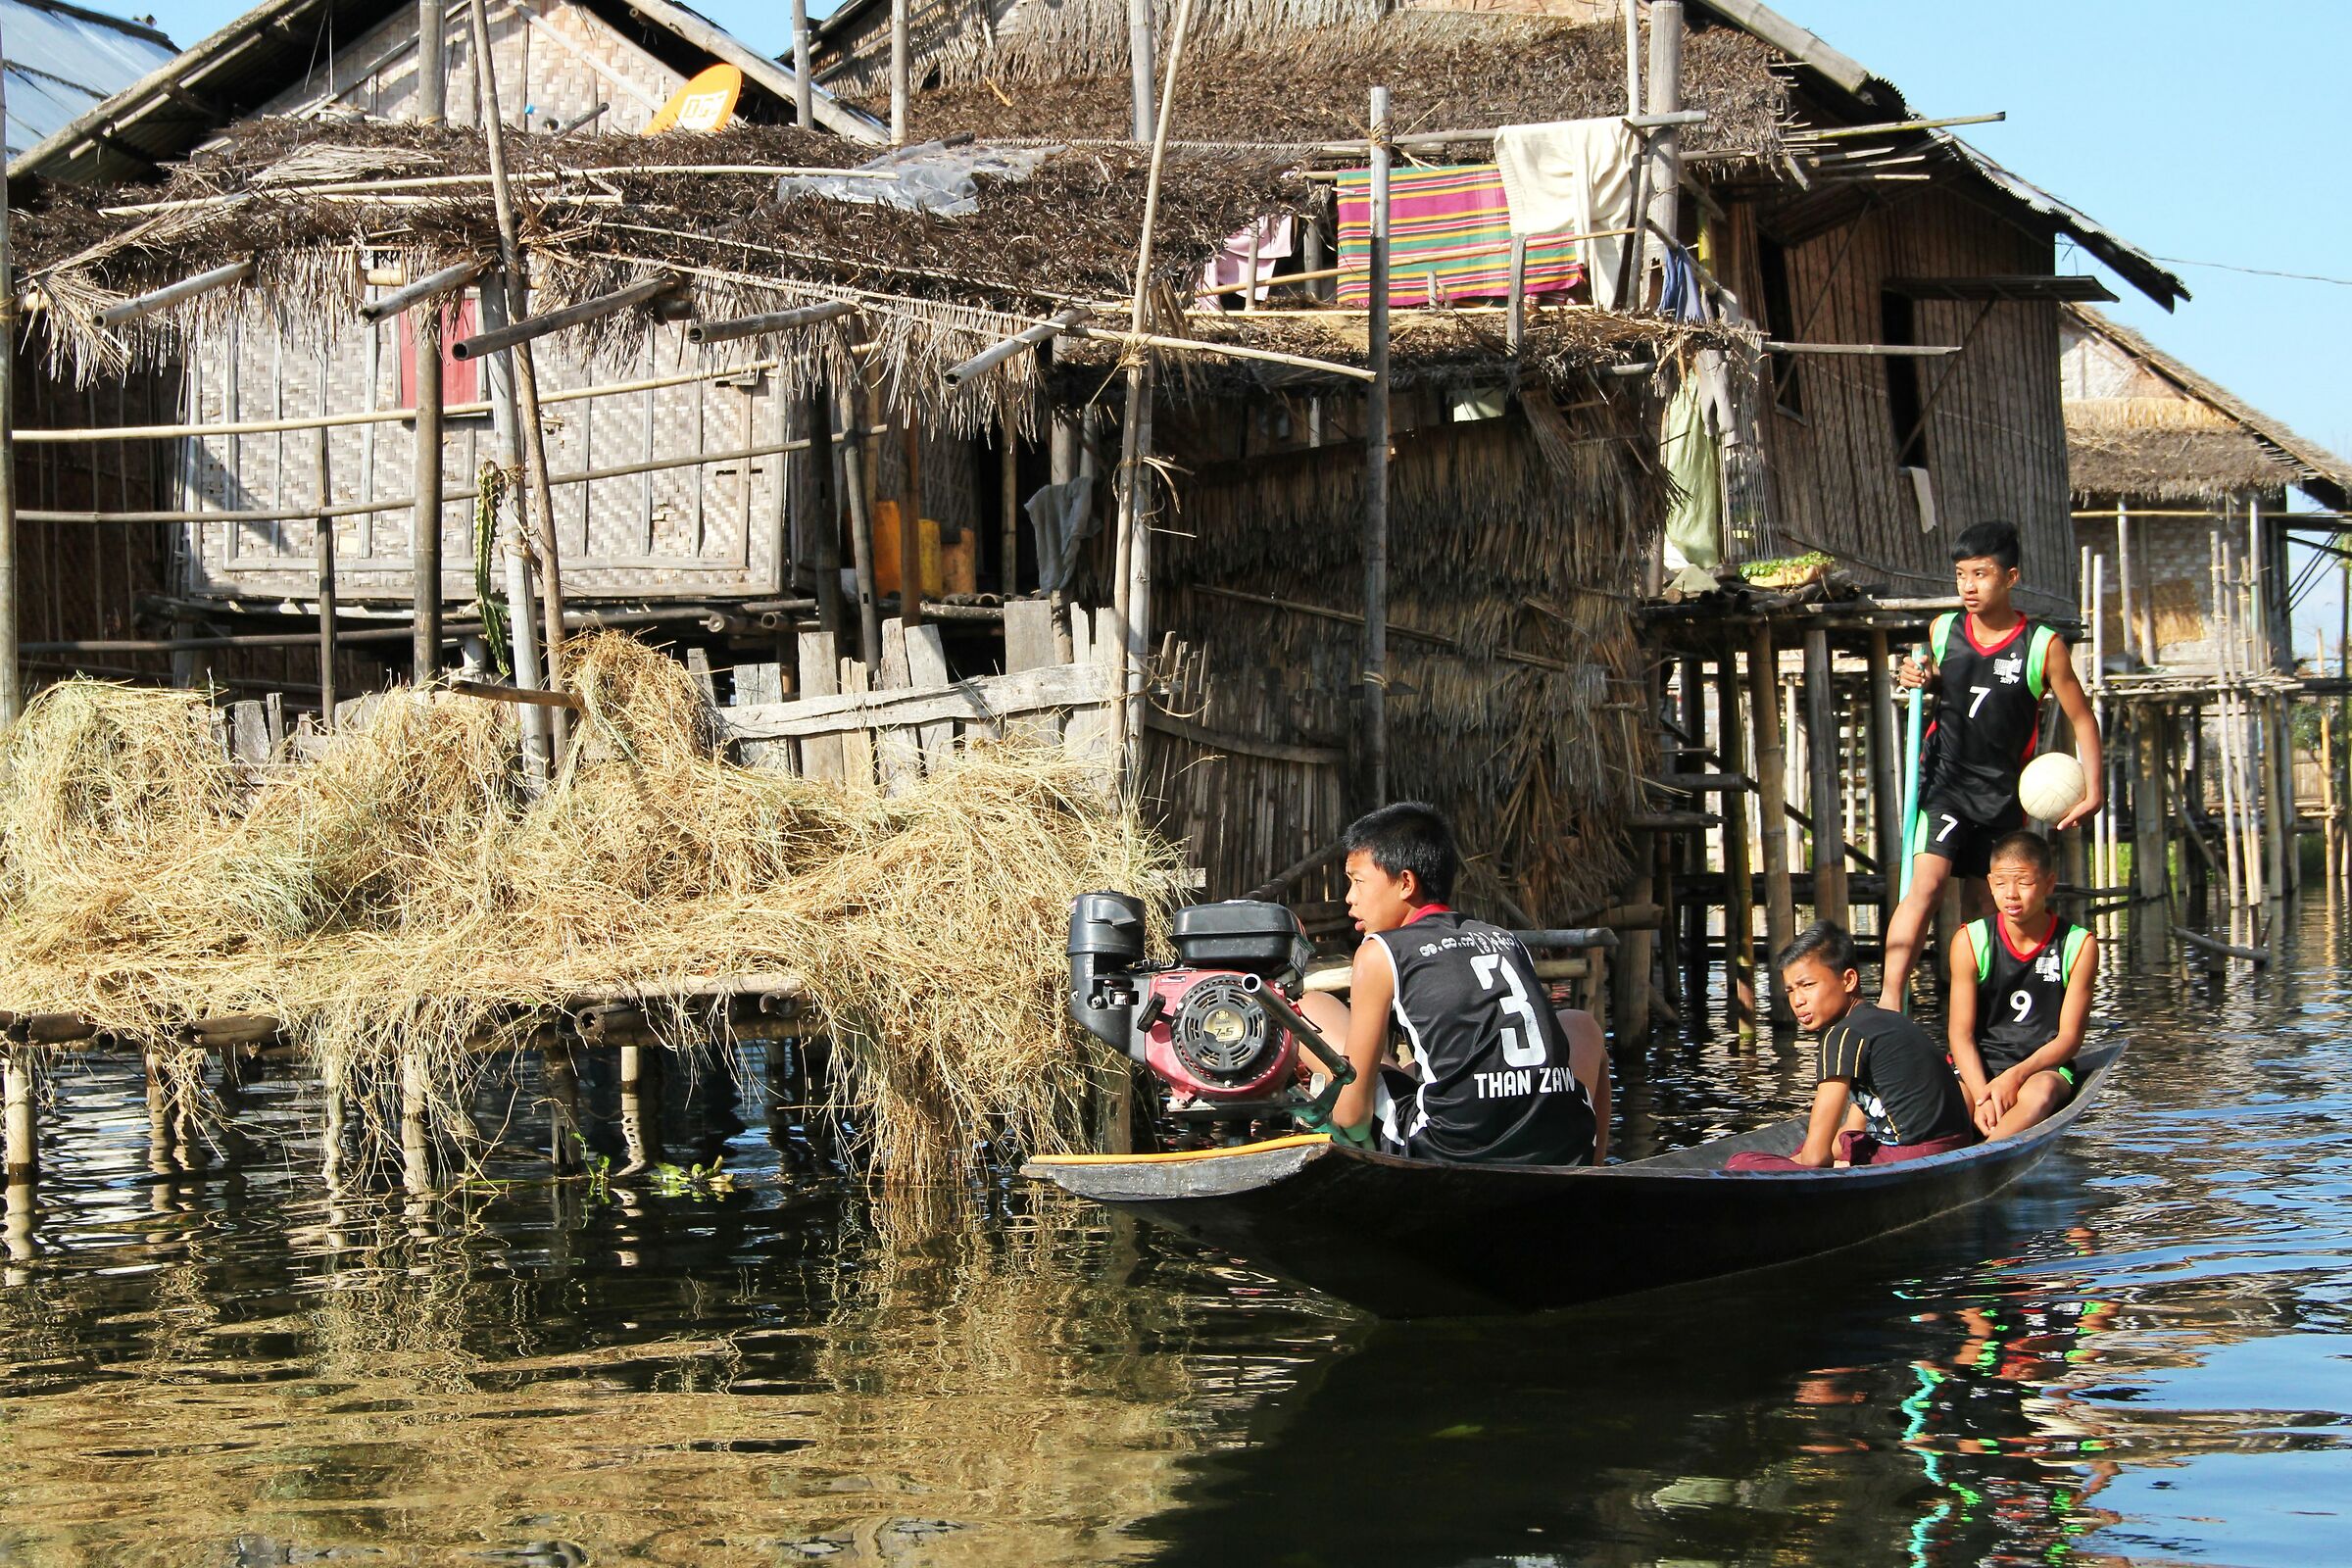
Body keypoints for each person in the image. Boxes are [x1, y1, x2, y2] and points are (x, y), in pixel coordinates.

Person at [1296, 802, 1608, 1165]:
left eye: (1358, 881)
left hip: (1451, 1150)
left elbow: (1353, 1116)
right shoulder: (1503, 938)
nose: (1349, 897)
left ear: (1406, 883)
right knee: (1580, 1024)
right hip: (1557, 1145)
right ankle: (1593, 1175)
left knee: (1311, 1006)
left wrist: (1323, 1111)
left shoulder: (1379, 952)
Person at [1880, 519, 2102, 1010]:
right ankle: (1889, 1005)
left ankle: (1981, 1020)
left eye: (1980, 574)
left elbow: (2083, 719)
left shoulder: (2043, 646)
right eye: (1961, 575)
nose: (1968, 586)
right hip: (1945, 783)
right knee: (1928, 885)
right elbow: (1949, 681)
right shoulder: (1944, 630)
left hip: (2004, 795)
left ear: (2011, 577)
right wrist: (1920, 676)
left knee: (1988, 907)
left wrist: (2095, 790)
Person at [1727, 922, 1976, 1171]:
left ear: (1848, 980)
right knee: (1832, 1143)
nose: (1798, 1001)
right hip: (1954, 1146)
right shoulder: (1885, 1020)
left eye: (1808, 985)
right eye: (1790, 990)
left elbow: (1815, 1158)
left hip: (1910, 1156)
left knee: (1741, 1163)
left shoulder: (1842, 1035)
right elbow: (1857, 1121)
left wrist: (1808, 1160)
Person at [1946, 830, 2096, 1140]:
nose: (2011, 894)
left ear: (2049, 884)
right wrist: (1981, 1096)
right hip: (1978, 1066)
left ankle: (1987, 1155)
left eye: (2024, 883)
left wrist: (2015, 1076)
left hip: (2043, 1068)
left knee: (2039, 1094)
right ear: (1990, 884)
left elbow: (2069, 1038)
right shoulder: (1969, 941)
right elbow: (1960, 1034)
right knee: (1948, 1104)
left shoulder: (2078, 945)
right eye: (2000, 884)